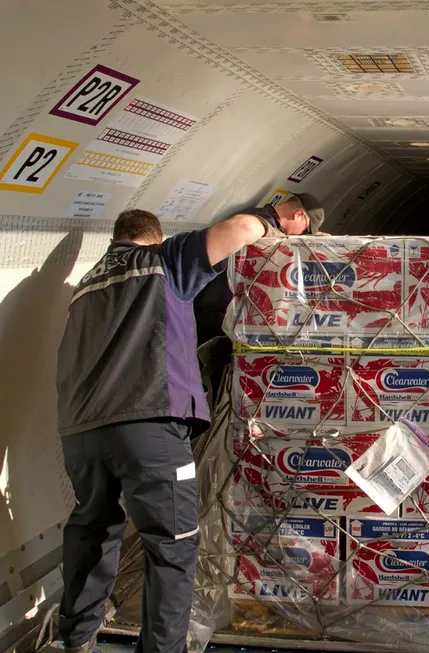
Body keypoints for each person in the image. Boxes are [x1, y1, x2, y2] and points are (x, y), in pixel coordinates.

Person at [55, 208, 270, 653]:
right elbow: (245, 228)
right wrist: (275, 229)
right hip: (147, 425)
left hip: (81, 431)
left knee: (92, 531)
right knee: (173, 546)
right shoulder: (162, 261)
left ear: (114, 240)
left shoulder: (86, 285)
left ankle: (75, 640)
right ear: (155, 237)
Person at [193, 194, 327, 405]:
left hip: (222, 314)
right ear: (299, 215)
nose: (302, 235)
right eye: (305, 230)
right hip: (216, 317)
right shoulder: (258, 226)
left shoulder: (265, 224)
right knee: (224, 382)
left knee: (225, 383)